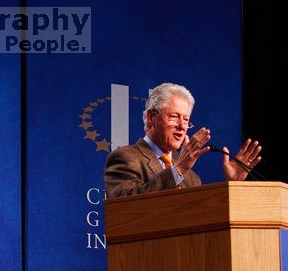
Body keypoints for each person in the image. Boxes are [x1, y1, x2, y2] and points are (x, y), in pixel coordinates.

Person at [104, 83, 262, 198]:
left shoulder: (192, 177)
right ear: (151, 117)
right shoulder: (125, 157)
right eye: (174, 117)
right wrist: (177, 171)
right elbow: (124, 205)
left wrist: (232, 185)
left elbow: (205, 217)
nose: (181, 126)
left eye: (186, 120)